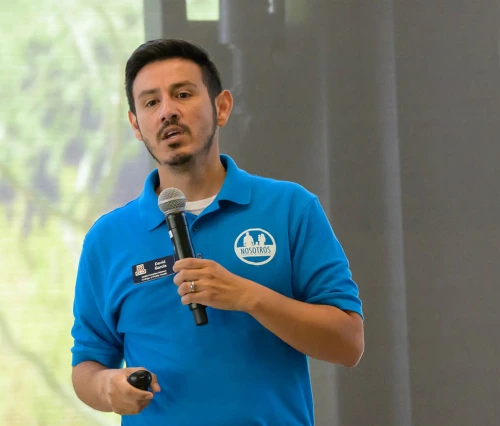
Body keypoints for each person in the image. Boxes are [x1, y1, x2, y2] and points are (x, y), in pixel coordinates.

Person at [70, 38, 364, 426]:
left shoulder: (291, 208)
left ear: (221, 107)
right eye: (151, 102)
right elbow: (87, 365)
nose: (168, 112)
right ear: (136, 125)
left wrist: (248, 296)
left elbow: (347, 344)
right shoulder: (107, 238)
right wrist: (109, 386)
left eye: (183, 94)